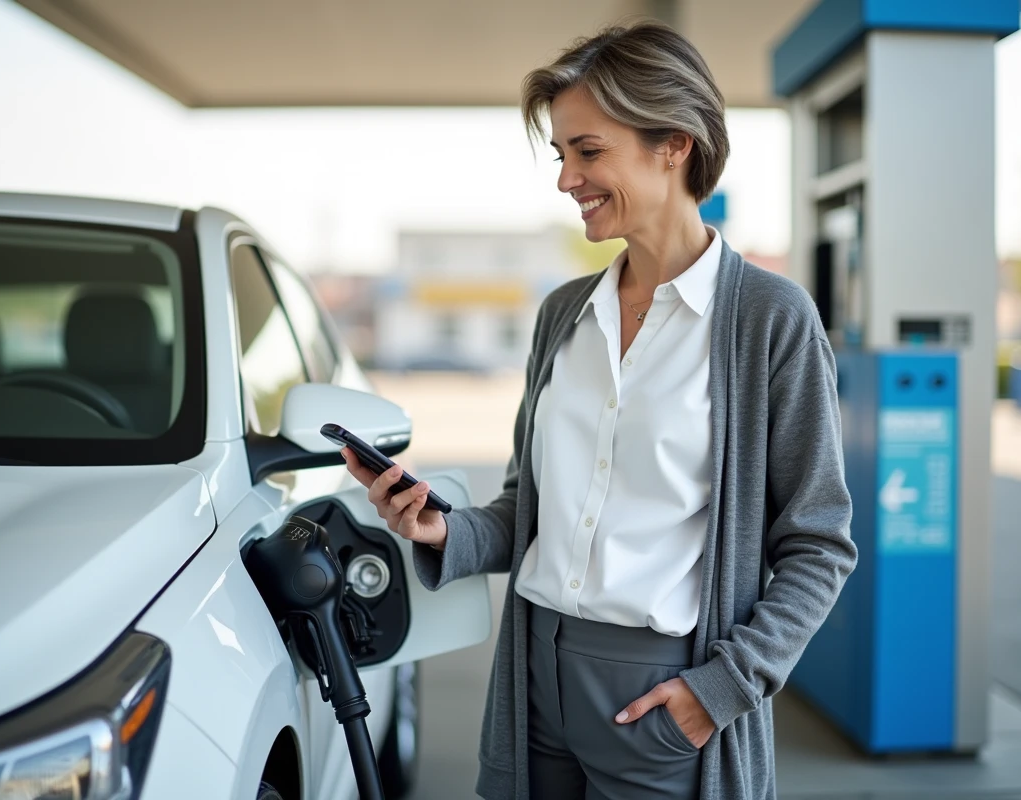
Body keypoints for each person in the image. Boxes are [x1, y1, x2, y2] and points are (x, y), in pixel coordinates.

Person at [342, 21, 857, 800]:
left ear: (674, 143)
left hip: (665, 693)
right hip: (534, 677)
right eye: (562, 156)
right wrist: (439, 526)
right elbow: (529, 511)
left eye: (588, 152)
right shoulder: (563, 316)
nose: (566, 180)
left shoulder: (769, 320)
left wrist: (720, 692)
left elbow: (820, 544)